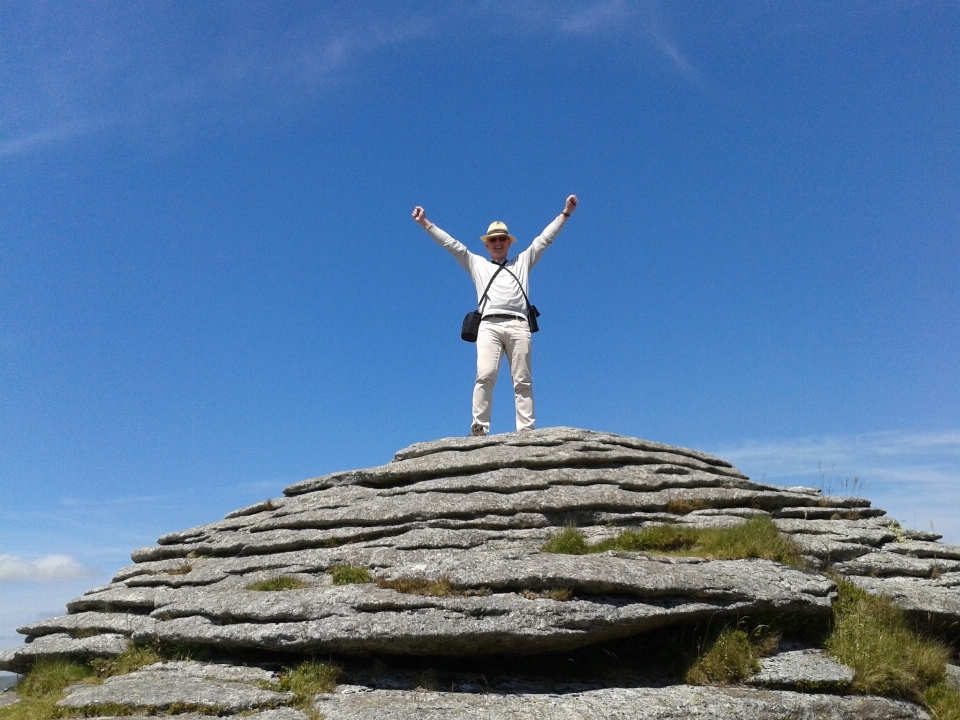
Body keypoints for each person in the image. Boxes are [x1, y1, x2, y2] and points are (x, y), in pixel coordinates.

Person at [412, 195, 578, 436]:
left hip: (519, 324)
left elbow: (544, 240)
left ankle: (526, 431)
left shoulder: (522, 262)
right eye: (493, 240)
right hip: (488, 326)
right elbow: (452, 244)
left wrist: (565, 213)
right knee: (485, 375)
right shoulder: (477, 264)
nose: (498, 243)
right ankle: (479, 429)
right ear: (487, 245)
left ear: (509, 243)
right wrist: (425, 223)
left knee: (523, 380)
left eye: (502, 239)